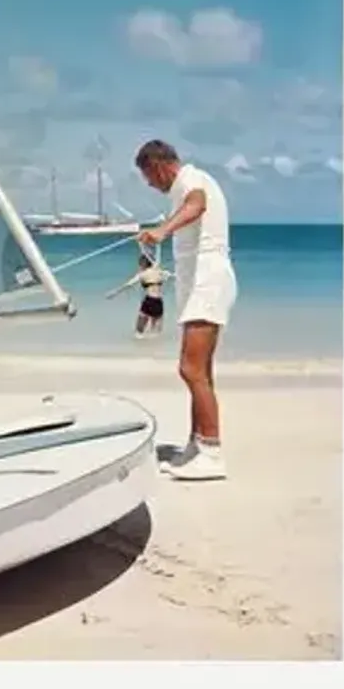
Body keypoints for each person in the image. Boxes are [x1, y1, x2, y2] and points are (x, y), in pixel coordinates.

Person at [135, 139, 237, 481]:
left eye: (149, 176)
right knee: (200, 371)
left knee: (190, 369)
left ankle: (211, 450)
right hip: (202, 285)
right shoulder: (186, 184)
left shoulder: (191, 182)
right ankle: (197, 445)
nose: (150, 184)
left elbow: (198, 205)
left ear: (160, 165)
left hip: (208, 283)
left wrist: (163, 230)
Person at [106, 249, 172, 339]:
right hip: (158, 301)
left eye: (140, 262)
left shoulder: (142, 274)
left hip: (149, 300)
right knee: (156, 333)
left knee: (138, 332)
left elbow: (128, 284)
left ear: (143, 263)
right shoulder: (160, 272)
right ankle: (154, 350)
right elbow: (169, 276)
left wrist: (114, 292)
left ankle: (140, 347)